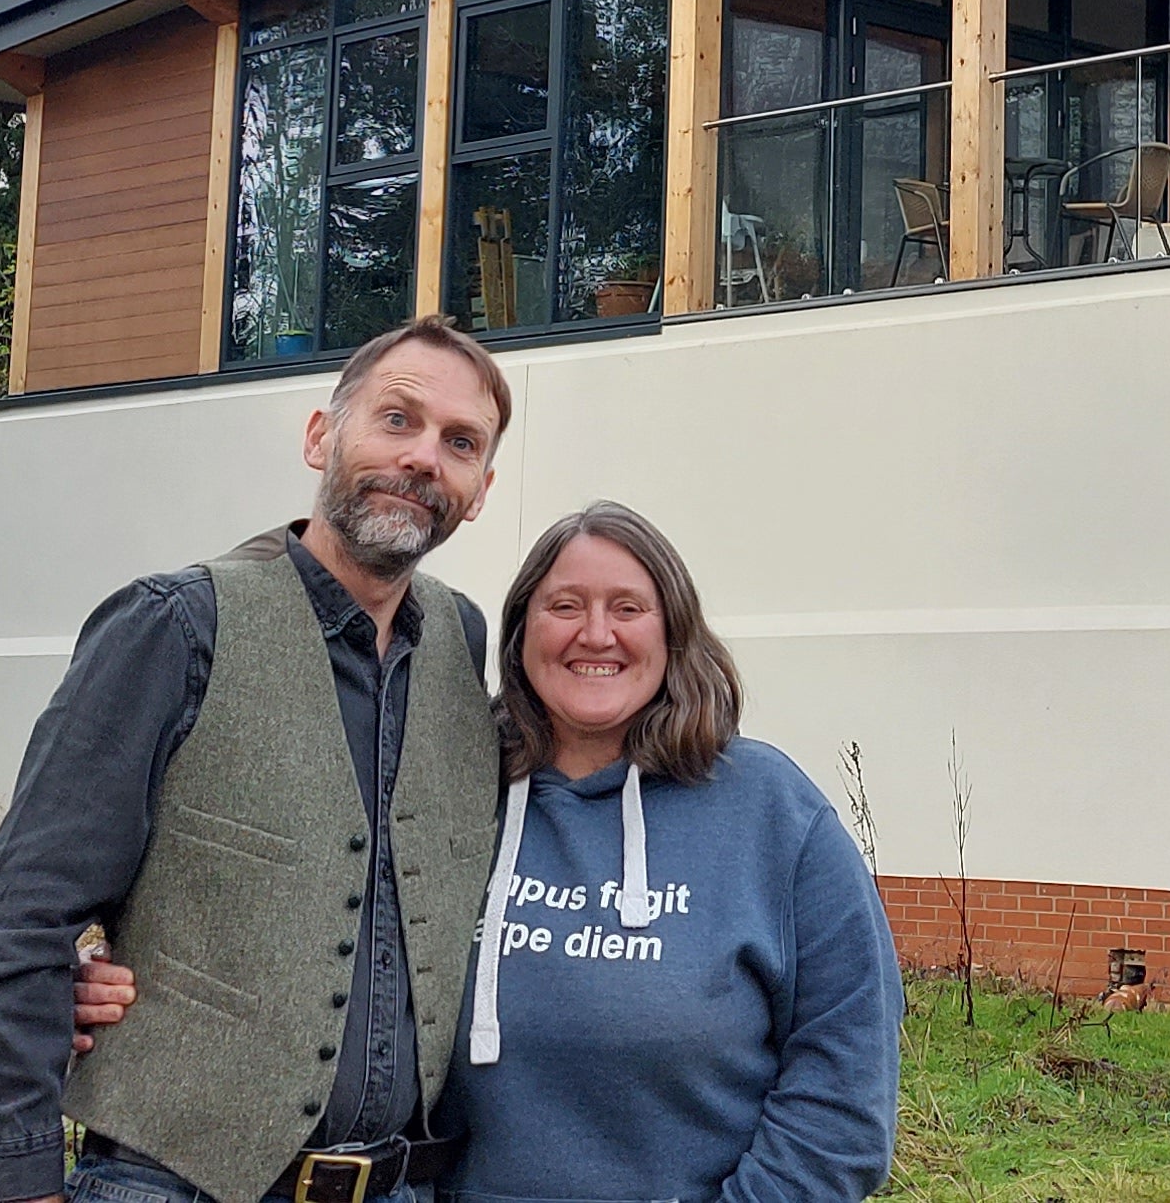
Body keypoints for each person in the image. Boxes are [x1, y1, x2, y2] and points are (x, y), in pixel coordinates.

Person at [79, 501, 903, 1202]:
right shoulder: (442, 785)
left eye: (628, 607)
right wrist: (105, 980)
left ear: (674, 629)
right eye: (565, 605)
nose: (596, 634)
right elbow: (303, 928)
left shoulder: (768, 808)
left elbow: (844, 1077)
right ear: (520, 632)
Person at [0, 314, 515, 1203]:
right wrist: (19, 1178)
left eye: (460, 442)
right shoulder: (173, 626)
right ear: (321, 435)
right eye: (396, 420)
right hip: (167, 1184)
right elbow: (20, 911)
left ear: (480, 488)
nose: (422, 458)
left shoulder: (462, 642)